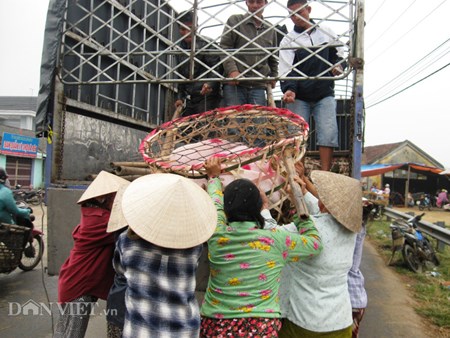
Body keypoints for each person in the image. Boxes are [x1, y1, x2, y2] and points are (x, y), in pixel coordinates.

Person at [200, 157, 323, 337]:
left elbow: (215, 203)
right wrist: (298, 208)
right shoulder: (277, 240)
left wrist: (213, 177)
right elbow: (315, 244)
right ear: (260, 208)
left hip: (215, 326)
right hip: (261, 327)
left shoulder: (216, 233)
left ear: (226, 210)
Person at [114, 173, 217, 337]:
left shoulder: (126, 242)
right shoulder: (193, 249)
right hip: (183, 331)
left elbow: (120, 269)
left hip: (140, 331)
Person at [273, 169, 362, 337]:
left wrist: (263, 208)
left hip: (306, 323)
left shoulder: (309, 229)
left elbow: (272, 235)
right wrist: (302, 193)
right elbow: (326, 214)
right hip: (341, 323)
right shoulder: (351, 230)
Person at [54, 171, 129, 338]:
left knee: (66, 330)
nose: (117, 201)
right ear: (103, 198)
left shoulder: (93, 215)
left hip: (77, 280)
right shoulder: (100, 221)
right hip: (78, 284)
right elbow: (127, 227)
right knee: (72, 333)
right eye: (114, 197)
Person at [279, 0, 346, 171]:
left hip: (324, 93)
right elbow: (287, 70)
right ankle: (298, 174)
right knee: (296, 137)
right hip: (300, 96)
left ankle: (325, 175)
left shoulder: (326, 33)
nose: (296, 17)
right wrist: (290, 90)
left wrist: (339, 66)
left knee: (328, 134)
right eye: (292, 14)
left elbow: (340, 55)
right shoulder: (288, 40)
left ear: (308, 9)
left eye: (300, 12)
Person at [220, 0, 278, 106]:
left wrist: (274, 75)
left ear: (266, 3)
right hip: (236, 85)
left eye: (259, 2)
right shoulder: (235, 21)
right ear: (246, 3)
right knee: (235, 120)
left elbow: (273, 56)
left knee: (258, 121)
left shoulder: (270, 29)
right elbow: (225, 47)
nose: (255, 5)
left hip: (258, 85)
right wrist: (232, 71)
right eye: (251, 2)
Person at [174, 10, 222, 116]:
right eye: (183, 29)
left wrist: (209, 84)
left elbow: (216, 68)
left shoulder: (207, 44)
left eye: (190, 28)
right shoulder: (178, 49)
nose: (187, 32)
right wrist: (180, 97)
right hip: (191, 98)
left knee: (204, 126)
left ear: (196, 27)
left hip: (208, 97)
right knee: (186, 130)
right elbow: (180, 77)